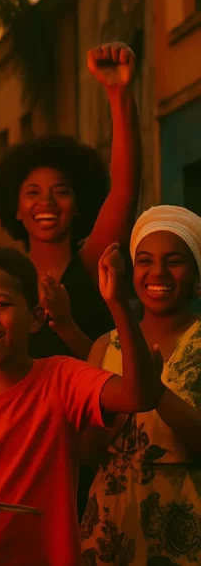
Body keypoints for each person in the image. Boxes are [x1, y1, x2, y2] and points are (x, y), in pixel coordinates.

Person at [0, 246, 164, 566]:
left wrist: (118, 305)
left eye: (0, 304)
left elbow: (138, 396)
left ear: (35, 318)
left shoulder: (61, 379)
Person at [0, 43, 141, 360]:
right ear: (15, 208)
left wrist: (119, 93)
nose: (47, 202)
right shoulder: (0, 277)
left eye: (60, 191)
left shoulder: (91, 264)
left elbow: (125, 192)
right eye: (32, 192)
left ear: (79, 203)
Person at [80, 206, 201, 565]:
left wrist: (157, 393)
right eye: (145, 261)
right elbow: (84, 454)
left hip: (187, 524)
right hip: (111, 525)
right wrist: (119, 408)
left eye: (174, 260)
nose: (158, 272)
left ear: (197, 275)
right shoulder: (105, 346)